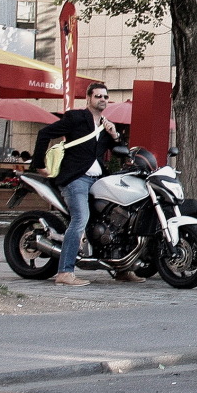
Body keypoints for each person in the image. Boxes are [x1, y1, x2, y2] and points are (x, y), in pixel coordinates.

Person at [29, 82, 133, 286]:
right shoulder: (76, 117)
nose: (102, 99)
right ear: (88, 98)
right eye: (98, 96)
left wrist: (114, 135)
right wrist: (39, 164)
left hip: (99, 181)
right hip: (76, 179)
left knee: (120, 220)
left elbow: (122, 152)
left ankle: (122, 269)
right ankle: (64, 272)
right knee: (80, 220)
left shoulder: (106, 125)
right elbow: (44, 134)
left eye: (105, 97)